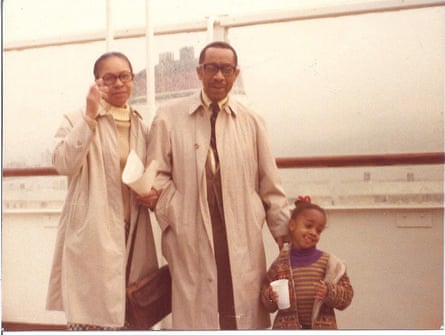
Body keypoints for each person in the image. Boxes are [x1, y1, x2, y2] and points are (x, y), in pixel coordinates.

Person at [146, 41, 290, 330]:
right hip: (191, 232)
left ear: (236, 74)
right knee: (197, 310)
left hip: (240, 232)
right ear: (199, 72)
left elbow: (270, 184)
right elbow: (156, 173)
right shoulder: (169, 117)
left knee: (241, 306)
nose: (219, 76)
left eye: (226, 69)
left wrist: (286, 237)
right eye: (211, 68)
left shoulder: (252, 122)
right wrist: (177, 211)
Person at [46, 51, 159, 330]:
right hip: (93, 233)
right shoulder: (76, 119)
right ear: (96, 83)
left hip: (132, 233)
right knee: (93, 317)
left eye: (125, 76)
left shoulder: (141, 125)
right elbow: (63, 163)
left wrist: (153, 192)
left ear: (133, 79)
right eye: (109, 78)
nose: (118, 83)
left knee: (133, 312)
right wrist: (89, 117)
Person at [261, 196, 353, 329]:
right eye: (308, 226)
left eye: (318, 230)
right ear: (292, 225)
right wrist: (270, 296)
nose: (313, 232)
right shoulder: (280, 265)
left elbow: (347, 297)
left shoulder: (330, 265)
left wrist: (329, 292)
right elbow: (267, 302)